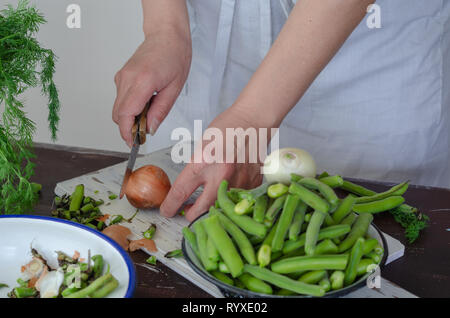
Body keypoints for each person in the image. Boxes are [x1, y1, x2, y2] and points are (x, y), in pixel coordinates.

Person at [112, 0, 450, 221]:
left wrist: (252, 115)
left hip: (366, 78)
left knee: (352, 228)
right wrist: (165, 29)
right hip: (210, 60)